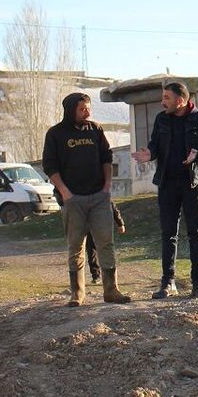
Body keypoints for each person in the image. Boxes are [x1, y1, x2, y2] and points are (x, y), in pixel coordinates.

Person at [42, 92, 132, 307]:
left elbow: (107, 158)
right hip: (73, 200)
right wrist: (64, 192)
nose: (87, 112)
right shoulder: (55, 134)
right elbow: (50, 166)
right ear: (70, 109)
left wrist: (107, 187)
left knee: (105, 244)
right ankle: (77, 294)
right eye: (82, 109)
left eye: (89, 108)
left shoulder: (96, 130)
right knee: (76, 247)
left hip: (99, 198)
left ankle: (111, 290)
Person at [131, 82, 198, 299]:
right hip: (167, 183)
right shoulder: (162, 119)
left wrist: (197, 155)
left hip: (192, 183)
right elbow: (155, 145)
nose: (163, 102)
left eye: (167, 97)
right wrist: (149, 154)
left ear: (181, 100)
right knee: (168, 234)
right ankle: (168, 282)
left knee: (196, 233)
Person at [86, 203, 126, 285]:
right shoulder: (86, 196)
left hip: (103, 227)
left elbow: (113, 208)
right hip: (89, 227)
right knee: (91, 252)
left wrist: (120, 223)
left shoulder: (103, 194)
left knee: (106, 251)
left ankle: (109, 276)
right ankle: (96, 275)